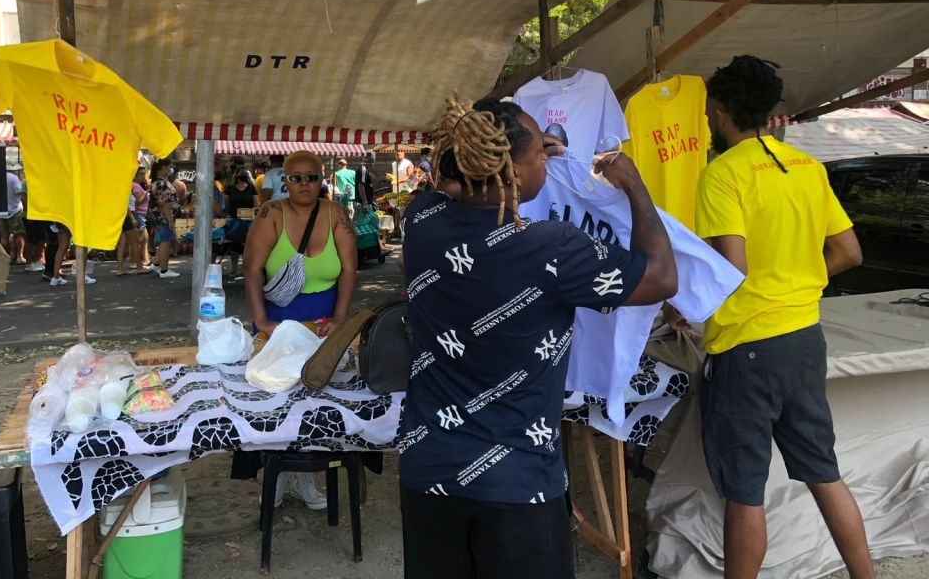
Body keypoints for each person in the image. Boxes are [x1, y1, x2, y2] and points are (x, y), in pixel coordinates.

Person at [397, 96, 677, 579]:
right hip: (518, 484)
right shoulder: (552, 247)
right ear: (512, 174)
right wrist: (634, 186)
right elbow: (661, 277)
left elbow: (450, 186)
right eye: (537, 155)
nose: (545, 160)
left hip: (428, 471)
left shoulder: (421, 220)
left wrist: (513, 154)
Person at [684, 55, 872, 579]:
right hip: (805, 338)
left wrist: (687, 304)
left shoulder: (722, 173)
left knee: (745, 491)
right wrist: (797, 282)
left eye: (709, 112)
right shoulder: (808, 167)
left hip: (747, 348)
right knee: (824, 473)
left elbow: (733, 269)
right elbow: (849, 252)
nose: (708, 121)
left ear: (722, 112)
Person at [244, 149, 358, 510]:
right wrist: (262, 321)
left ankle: (307, 478)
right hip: (279, 320)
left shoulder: (335, 213)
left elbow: (350, 269)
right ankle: (275, 475)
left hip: (323, 322)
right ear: (285, 181)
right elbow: (251, 269)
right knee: (274, 403)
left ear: (322, 179)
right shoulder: (271, 214)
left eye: (312, 177)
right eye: (296, 178)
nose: (304, 184)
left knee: (318, 403)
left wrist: (340, 317)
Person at [148, 159, 181, 278]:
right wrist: (170, 220)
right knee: (166, 240)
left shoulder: (160, 181)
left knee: (165, 240)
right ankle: (164, 270)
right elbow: (164, 204)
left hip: (161, 216)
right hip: (163, 217)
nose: (171, 169)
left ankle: (156, 264)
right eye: (169, 166)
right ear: (162, 168)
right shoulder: (161, 184)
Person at [223, 165, 257, 279]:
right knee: (235, 244)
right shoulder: (230, 188)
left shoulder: (251, 188)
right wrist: (227, 215)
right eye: (242, 173)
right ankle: (234, 269)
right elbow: (226, 204)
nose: (244, 175)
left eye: (245, 173)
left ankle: (247, 269)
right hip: (234, 220)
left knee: (248, 245)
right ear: (236, 174)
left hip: (249, 221)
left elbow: (256, 204)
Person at [2, 166, 26, 264]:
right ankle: (20, 256)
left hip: (2, 212)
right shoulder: (13, 178)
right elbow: (20, 192)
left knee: (4, 235)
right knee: (19, 234)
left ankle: (7, 258)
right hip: (15, 210)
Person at [131, 166, 151, 272]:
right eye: (141, 174)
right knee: (139, 239)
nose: (143, 176)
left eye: (144, 174)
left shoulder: (139, 185)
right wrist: (147, 193)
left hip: (142, 214)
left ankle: (145, 259)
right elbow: (137, 202)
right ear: (135, 175)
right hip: (139, 214)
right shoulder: (135, 186)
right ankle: (135, 261)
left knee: (144, 238)